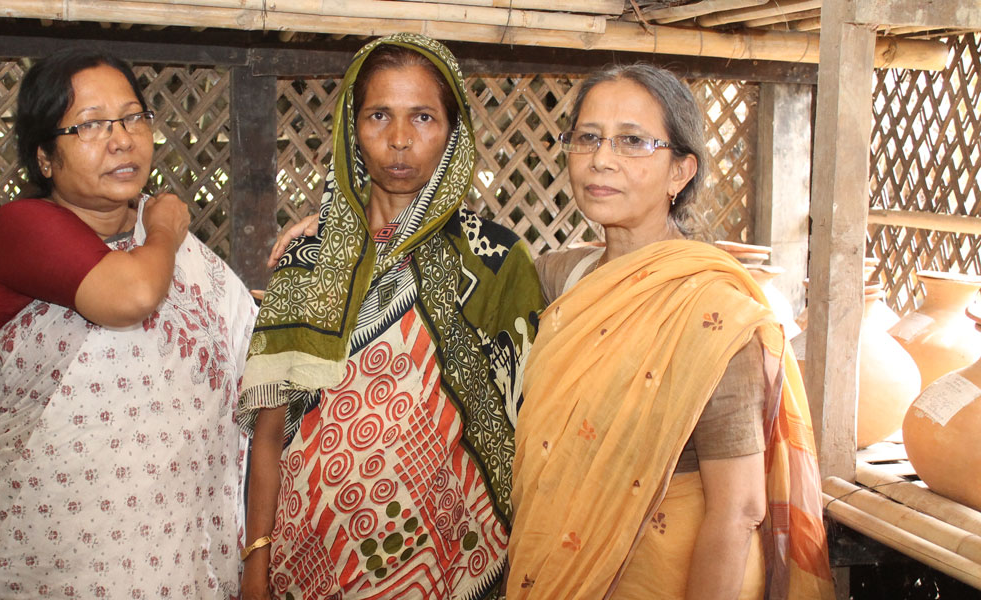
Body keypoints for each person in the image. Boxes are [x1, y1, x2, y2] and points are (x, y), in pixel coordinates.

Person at [506, 64, 834, 599]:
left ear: (681, 172)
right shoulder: (559, 280)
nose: (601, 158)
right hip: (554, 574)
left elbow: (740, 509)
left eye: (633, 141)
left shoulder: (714, 314)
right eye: (588, 138)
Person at [238, 33, 543, 600]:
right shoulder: (307, 261)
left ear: (454, 132)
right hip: (306, 564)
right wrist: (256, 561)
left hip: (449, 566)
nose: (400, 140)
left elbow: (533, 434)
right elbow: (269, 432)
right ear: (351, 130)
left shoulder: (497, 261)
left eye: (423, 117)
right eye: (379, 115)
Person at [0, 48, 257, 599]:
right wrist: (166, 227)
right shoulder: (23, 226)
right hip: (63, 549)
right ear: (45, 158)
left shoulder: (168, 248)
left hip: (182, 545)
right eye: (91, 125)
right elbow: (132, 295)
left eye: (132, 117)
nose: (122, 139)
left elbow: (244, 338)